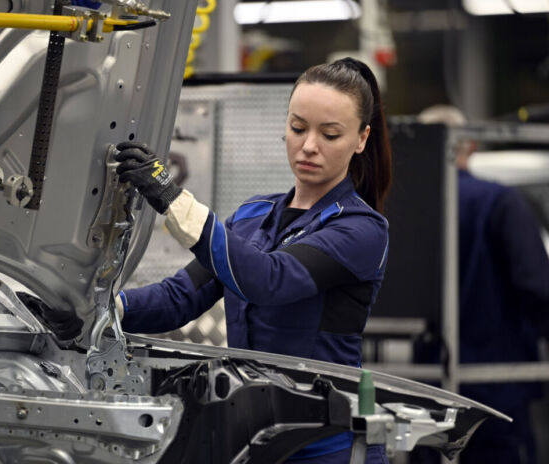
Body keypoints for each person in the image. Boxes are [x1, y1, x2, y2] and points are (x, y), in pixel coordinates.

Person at [113, 58, 392, 463]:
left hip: (328, 445)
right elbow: (178, 298)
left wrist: (172, 198)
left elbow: (270, 280)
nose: (309, 145)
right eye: (298, 128)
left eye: (330, 134)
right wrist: (107, 309)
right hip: (254, 440)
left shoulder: (362, 229)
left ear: (361, 139)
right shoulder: (251, 216)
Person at [417, 105, 549, 464]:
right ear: (469, 145)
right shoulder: (500, 202)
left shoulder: (406, 210)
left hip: (423, 386)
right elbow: (537, 285)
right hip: (498, 381)